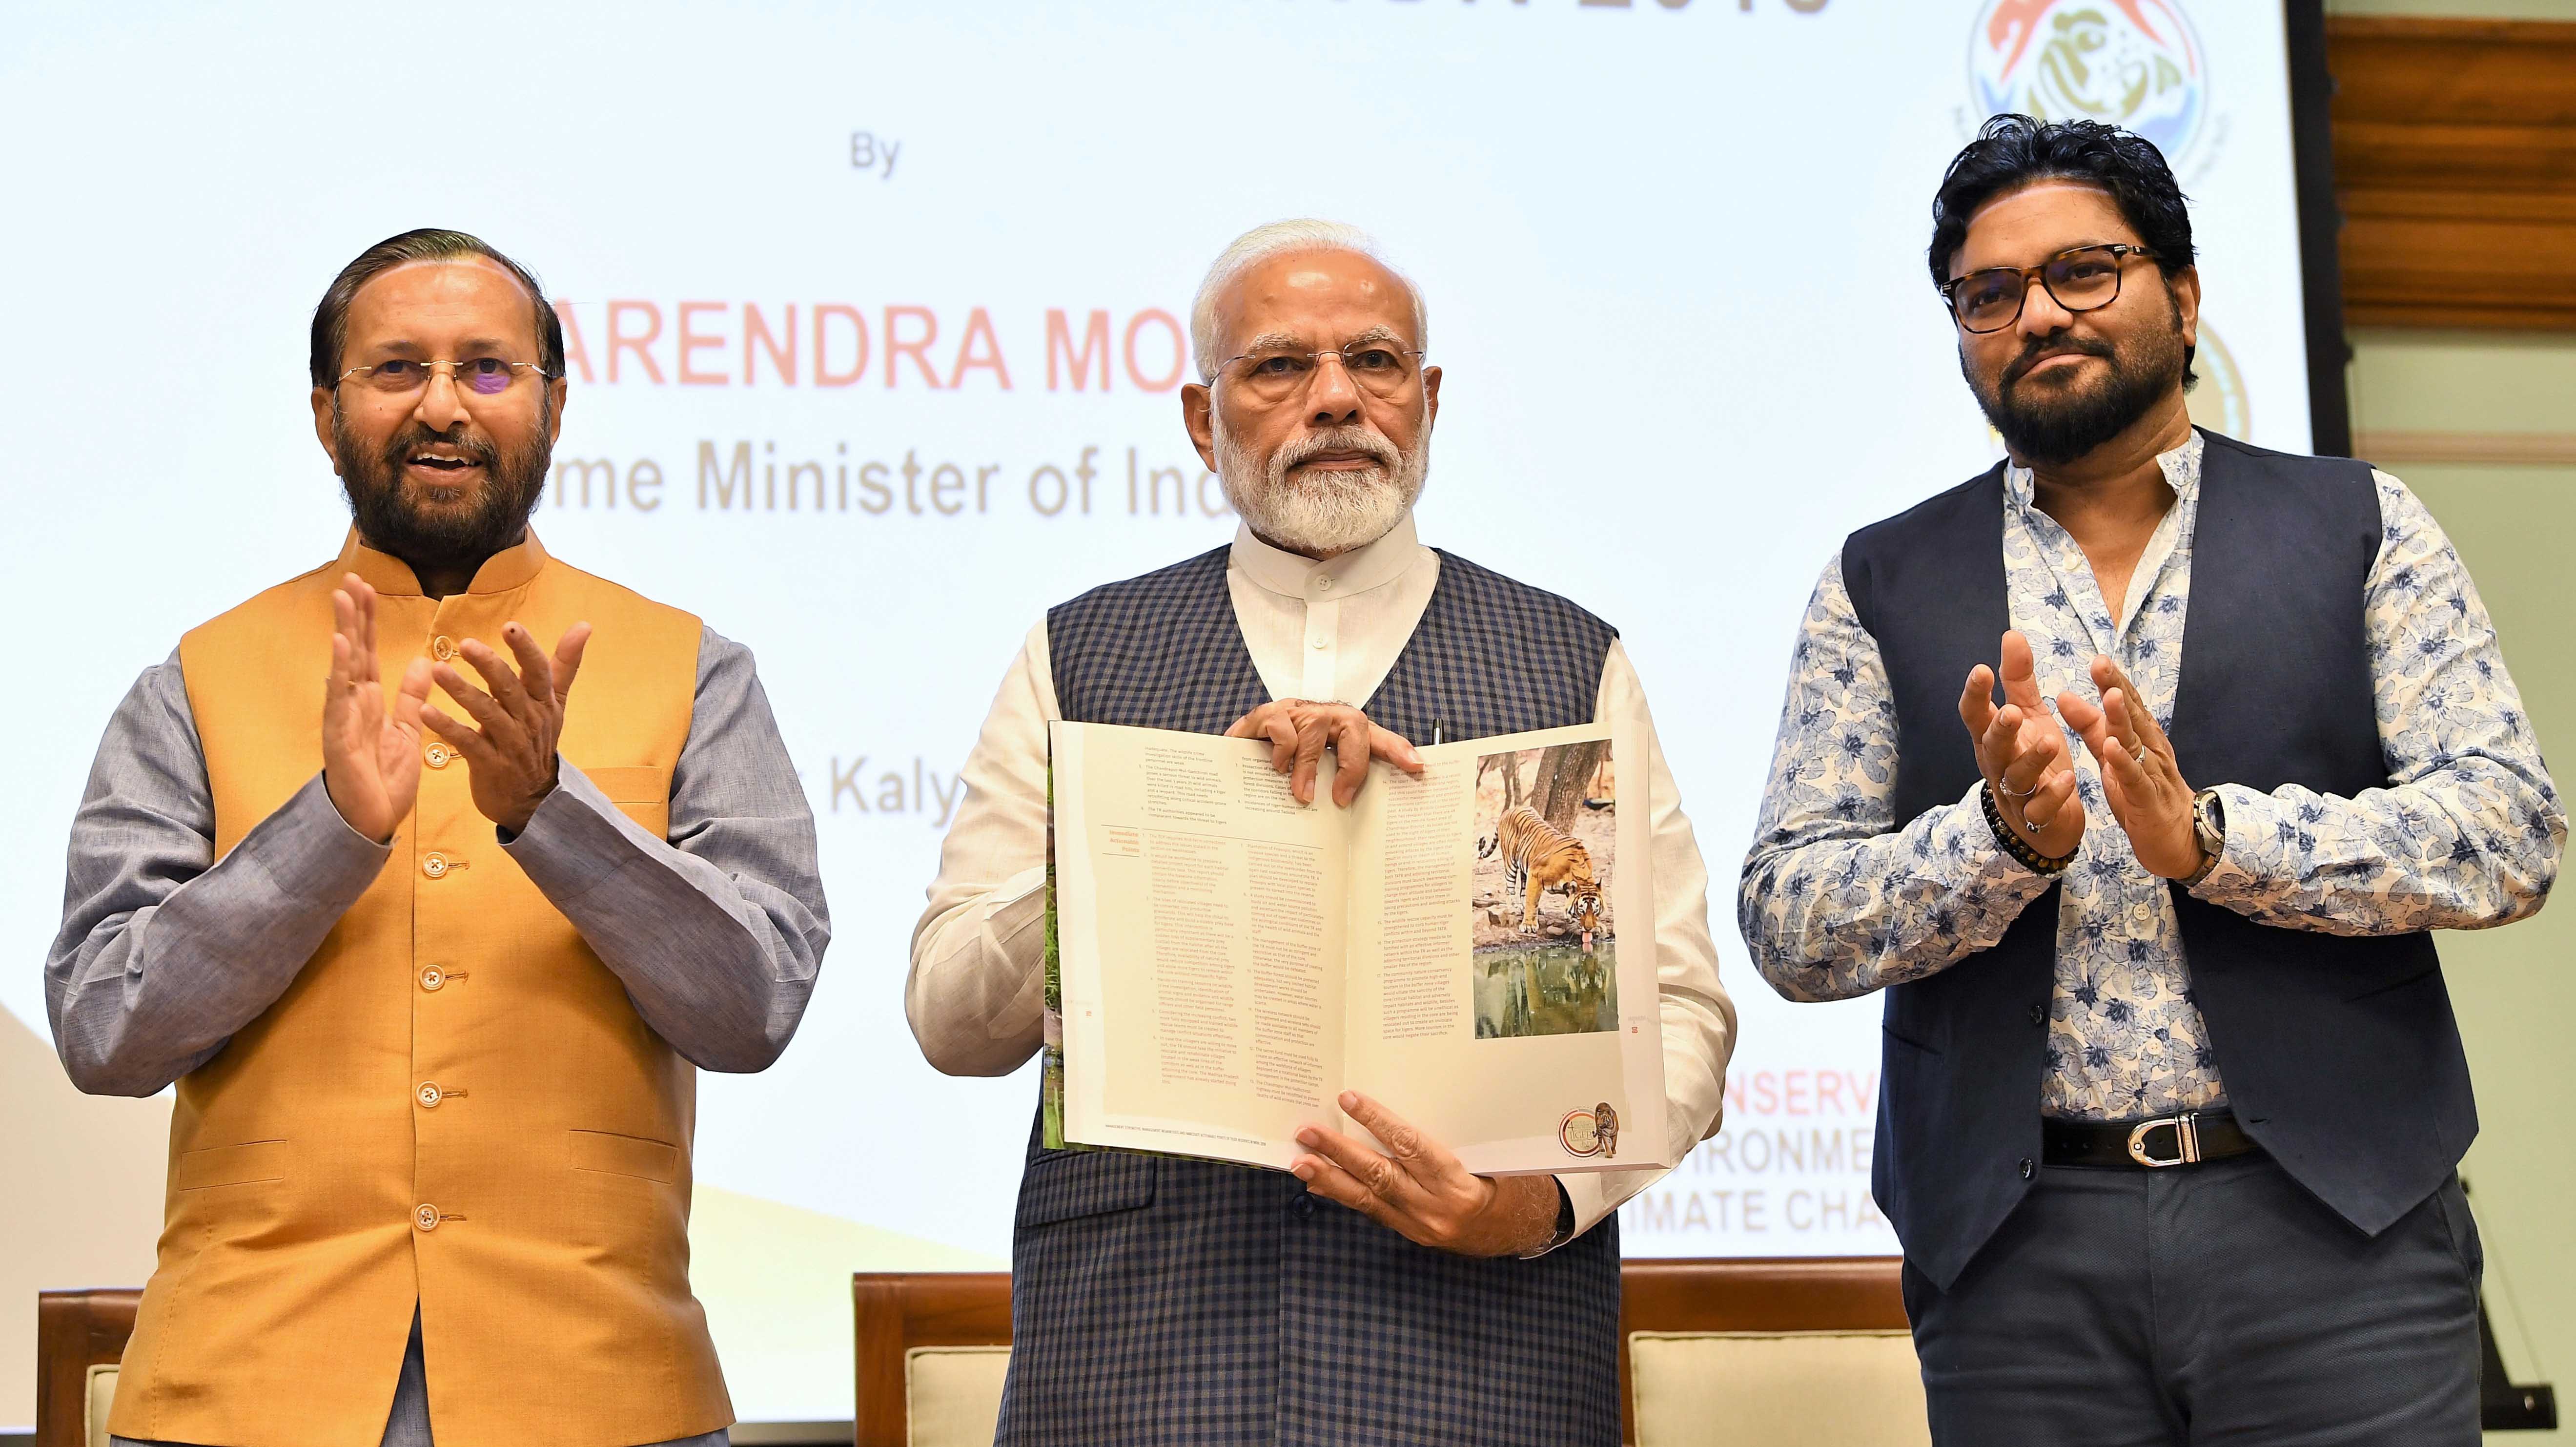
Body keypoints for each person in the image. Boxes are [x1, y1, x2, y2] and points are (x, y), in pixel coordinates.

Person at [1739, 115, 2565, 1444]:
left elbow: (2506, 830)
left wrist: (2215, 841)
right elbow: (1785, 916)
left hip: (2334, 1234)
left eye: (2082, 271)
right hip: (2015, 1257)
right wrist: (1996, 843)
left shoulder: (2359, 525)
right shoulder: (1874, 580)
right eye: (1988, 292)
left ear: (2179, 297)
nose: (2036, 315)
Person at [910, 219, 1735, 1446]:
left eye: (1375, 362)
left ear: (1428, 401)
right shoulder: (1075, 655)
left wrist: (1548, 1200)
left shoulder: (1573, 659)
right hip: (1142, 1363)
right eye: (1279, 367)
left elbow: (1679, 1014)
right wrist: (1131, 831)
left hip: (1481, 1366)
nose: (1336, 398)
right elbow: (946, 1017)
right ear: (1203, 420)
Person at [47, 229, 830, 1447]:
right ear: (325, 413)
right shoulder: (195, 680)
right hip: (245, 1392)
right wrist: (328, 832)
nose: (442, 406)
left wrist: (550, 815)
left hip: (599, 1390)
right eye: (396, 369)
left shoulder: (694, 671)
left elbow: (755, 1008)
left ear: (554, 406)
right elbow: (102, 1029)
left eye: (486, 370)